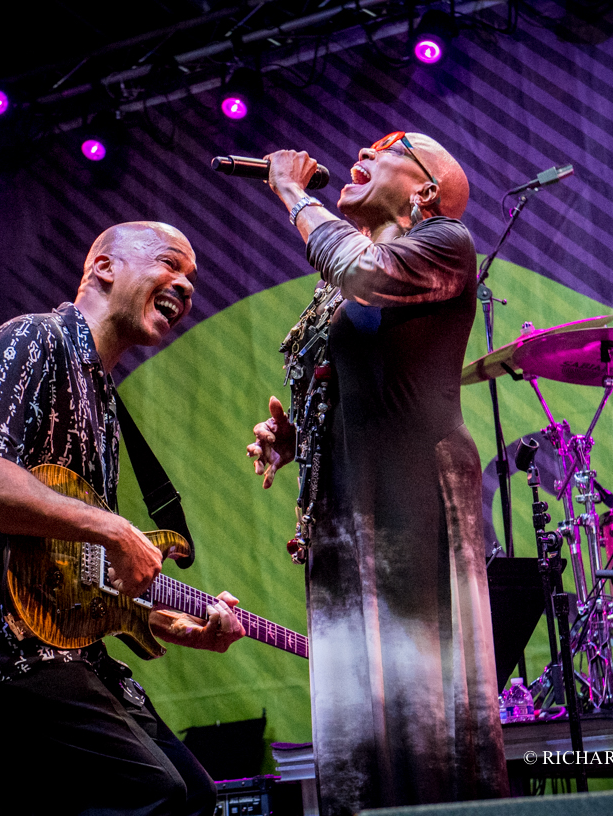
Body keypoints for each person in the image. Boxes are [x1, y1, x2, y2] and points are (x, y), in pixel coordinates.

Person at [0, 221, 245, 816]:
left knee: (195, 796)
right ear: (102, 267)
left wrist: (178, 624)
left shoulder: (101, 399)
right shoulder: (31, 339)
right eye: (170, 265)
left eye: (193, 279)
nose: (185, 285)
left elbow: (81, 568)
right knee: (151, 794)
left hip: (47, 632)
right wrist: (115, 528)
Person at [247, 134, 509, 816]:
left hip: (411, 500)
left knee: (419, 709)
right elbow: (356, 388)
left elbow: (364, 275)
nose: (363, 149)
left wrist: (292, 192)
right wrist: (296, 438)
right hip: (348, 505)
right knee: (359, 722)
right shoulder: (342, 279)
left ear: (426, 188)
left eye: (389, 147)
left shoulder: (447, 242)